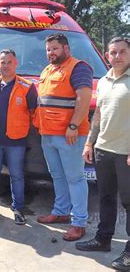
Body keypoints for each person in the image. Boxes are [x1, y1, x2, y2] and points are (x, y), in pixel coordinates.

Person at [76, 37, 130, 270]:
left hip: (126, 152)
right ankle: (103, 239)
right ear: (107, 55)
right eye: (113, 52)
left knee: (129, 203)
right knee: (106, 197)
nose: (117, 56)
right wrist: (89, 143)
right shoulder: (104, 81)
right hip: (103, 149)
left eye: (122, 52)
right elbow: (97, 116)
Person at [34, 33, 93, 241]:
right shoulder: (48, 70)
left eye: (55, 49)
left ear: (66, 48)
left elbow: (84, 97)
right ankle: (60, 212)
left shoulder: (78, 67)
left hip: (70, 135)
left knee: (75, 178)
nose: (51, 53)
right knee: (57, 176)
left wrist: (74, 125)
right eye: (48, 49)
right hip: (48, 134)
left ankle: (79, 223)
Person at [0, 49, 37, 224]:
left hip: (16, 140)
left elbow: (34, 113)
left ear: (16, 63)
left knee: (16, 175)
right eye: (2, 62)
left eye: (9, 62)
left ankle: (18, 208)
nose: (6, 66)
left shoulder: (27, 87)